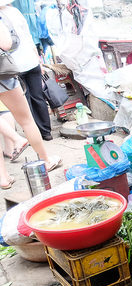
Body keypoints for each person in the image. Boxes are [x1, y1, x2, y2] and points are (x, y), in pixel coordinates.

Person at [0, 4, 60, 187]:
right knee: (26, 119)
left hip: (15, 70)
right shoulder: (9, 13)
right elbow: (6, 43)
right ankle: (45, 160)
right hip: (5, 73)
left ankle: (3, 178)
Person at [1, 0, 52, 140]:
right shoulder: (16, 12)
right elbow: (29, 36)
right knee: (38, 97)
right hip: (31, 61)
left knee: (25, 102)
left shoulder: (2, 17)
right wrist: (38, 61)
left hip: (13, 66)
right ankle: (46, 132)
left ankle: (33, 134)